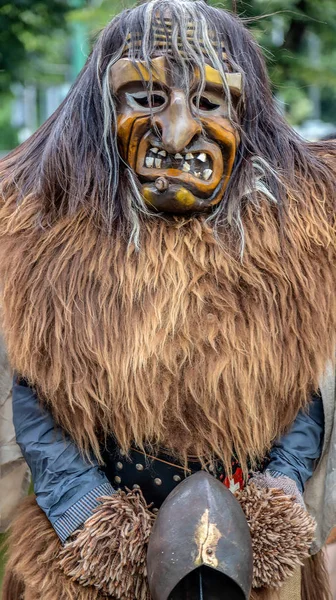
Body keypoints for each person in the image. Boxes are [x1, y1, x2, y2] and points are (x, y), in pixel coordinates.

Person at [1, 1, 335, 598]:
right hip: (82, 561)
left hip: (257, 559)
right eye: (148, 99)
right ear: (102, 112)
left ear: (246, 115)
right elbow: (26, 391)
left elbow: (313, 393)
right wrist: (84, 511)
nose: (178, 132)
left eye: (209, 102)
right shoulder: (32, 232)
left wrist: (278, 497)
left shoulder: (307, 237)